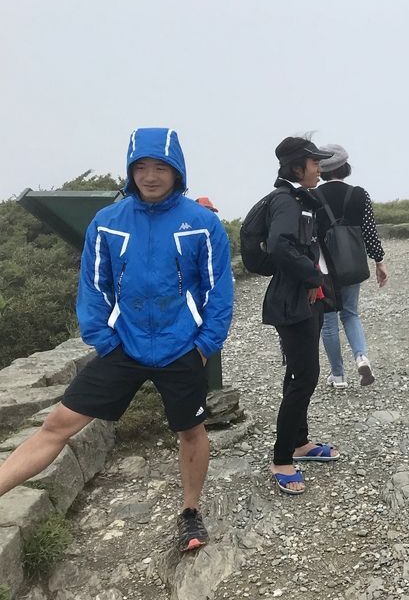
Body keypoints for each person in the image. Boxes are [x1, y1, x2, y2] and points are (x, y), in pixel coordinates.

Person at [0, 127, 234, 552]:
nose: (150, 175)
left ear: (177, 169)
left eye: (160, 166)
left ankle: (190, 514)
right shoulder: (108, 222)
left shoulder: (201, 224)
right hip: (122, 347)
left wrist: (204, 344)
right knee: (57, 425)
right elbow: (93, 286)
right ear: (130, 171)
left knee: (191, 431)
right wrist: (103, 339)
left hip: (181, 347)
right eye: (140, 166)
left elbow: (219, 292)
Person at [264, 137, 341, 495]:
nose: (319, 168)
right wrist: (312, 276)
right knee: (305, 375)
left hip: (304, 300)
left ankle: (300, 443)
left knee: (300, 372)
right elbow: (279, 245)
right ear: (298, 167)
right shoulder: (285, 201)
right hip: (291, 302)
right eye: (314, 162)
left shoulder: (298, 199)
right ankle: (282, 458)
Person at [315, 143, 389, 388]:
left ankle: (338, 376)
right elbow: (370, 232)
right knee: (351, 313)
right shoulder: (359, 194)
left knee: (328, 320)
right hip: (352, 264)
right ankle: (361, 356)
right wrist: (379, 261)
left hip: (324, 267)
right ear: (345, 167)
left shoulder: (313, 197)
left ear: (322, 170)